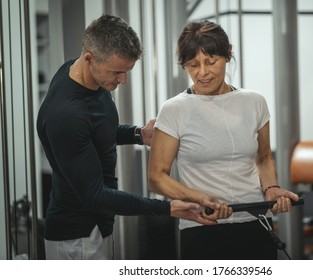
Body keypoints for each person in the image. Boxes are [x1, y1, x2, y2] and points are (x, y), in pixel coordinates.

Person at [36, 14, 220, 260]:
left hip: (97, 227)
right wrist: (167, 207)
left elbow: (98, 131)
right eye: (117, 72)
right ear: (89, 58)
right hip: (76, 238)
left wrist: (138, 135)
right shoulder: (66, 115)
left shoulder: (83, 75)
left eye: (127, 71)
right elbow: (95, 195)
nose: (122, 80)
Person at [148, 20, 300, 260]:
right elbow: (157, 176)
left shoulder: (254, 102)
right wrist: (199, 198)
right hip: (202, 225)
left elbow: (263, 157)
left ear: (228, 54)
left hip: (255, 222)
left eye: (211, 61)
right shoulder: (174, 109)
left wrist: (271, 188)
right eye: (193, 64)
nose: (202, 72)